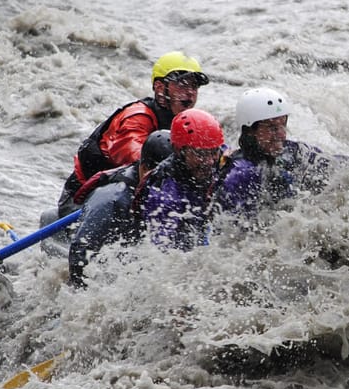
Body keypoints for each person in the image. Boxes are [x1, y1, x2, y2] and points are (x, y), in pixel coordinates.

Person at [214, 87, 349, 224]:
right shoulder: (238, 176)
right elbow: (235, 236)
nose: (280, 134)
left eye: (282, 125)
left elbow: (333, 164)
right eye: (271, 127)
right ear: (250, 131)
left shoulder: (291, 151)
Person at [56, 51, 209, 218]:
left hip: (129, 192)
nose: (190, 93)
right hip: (81, 201)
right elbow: (138, 159)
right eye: (182, 85)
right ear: (159, 88)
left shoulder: (188, 123)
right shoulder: (137, 117)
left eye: (194, 86)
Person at [67, 130, 173, 288]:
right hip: (98, 242)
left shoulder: (170, 186)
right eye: (162, 178)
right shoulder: (111, 198)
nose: (166, 185)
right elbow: (80, 252)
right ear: (144, 168)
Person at [135, 109, 225, 251]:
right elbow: (163, 257)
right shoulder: (165, 197)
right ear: (178, 151)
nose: (208, 161)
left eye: (213, 152)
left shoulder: (217, 154)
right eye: (200, 153)